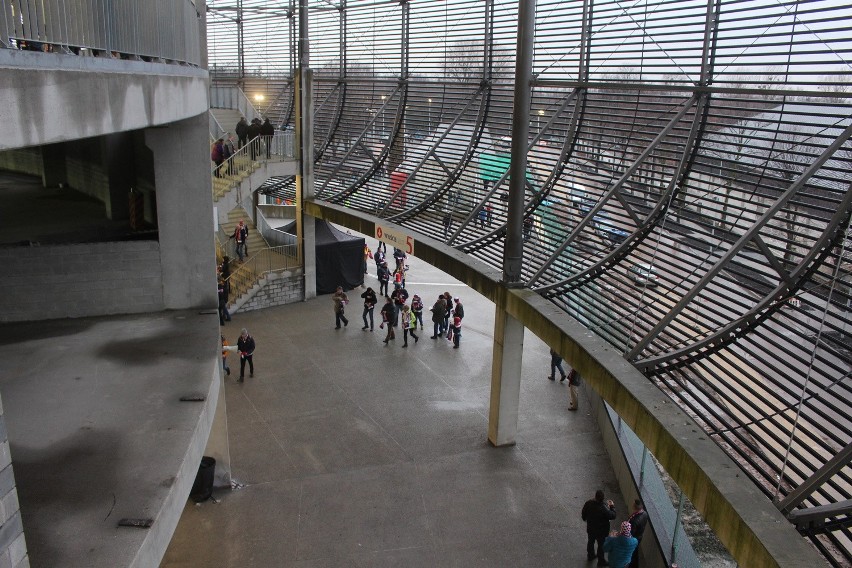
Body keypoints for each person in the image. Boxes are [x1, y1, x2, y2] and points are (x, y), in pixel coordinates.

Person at [582, 490, 617, 566]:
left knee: (590, 542)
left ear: (595, 496)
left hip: (591, 528)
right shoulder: (604, 508)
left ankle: (590, 555)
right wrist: (612, 506)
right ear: (603, 498)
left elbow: (583, 515)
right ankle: (601, 561)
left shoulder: (588, 503)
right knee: (601, 546)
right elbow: (613, 515)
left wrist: (586, 519)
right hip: (601, 531)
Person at [627, 500, 649, 568]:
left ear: (635, 507)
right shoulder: (645, 513)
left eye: (633, 504)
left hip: (634, 538)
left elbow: (631, 533)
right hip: (639, 536)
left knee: (632, 553)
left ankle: (632, 566)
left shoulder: (634, 520)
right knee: (635, 552)